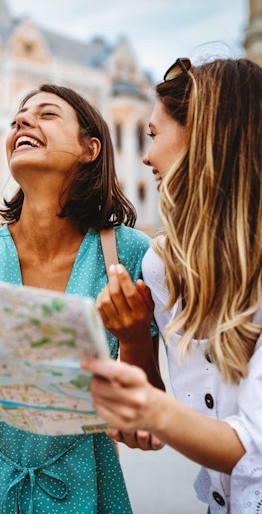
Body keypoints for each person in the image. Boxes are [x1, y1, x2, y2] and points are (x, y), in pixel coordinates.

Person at [83, 58, 262, 513]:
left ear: (205, 137)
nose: (146, 156)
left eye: (154, 135)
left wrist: (142, 403)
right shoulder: (163, 264)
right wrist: (132, 341)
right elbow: (164, 428)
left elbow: (249, 446)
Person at [0, 84, 163, 513]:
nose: (21, 122)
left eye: (46, 114)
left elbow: (149, 416)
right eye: (18, 116)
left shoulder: (129, 252)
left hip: (90, 491)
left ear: (90, 149)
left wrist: (134, 339)